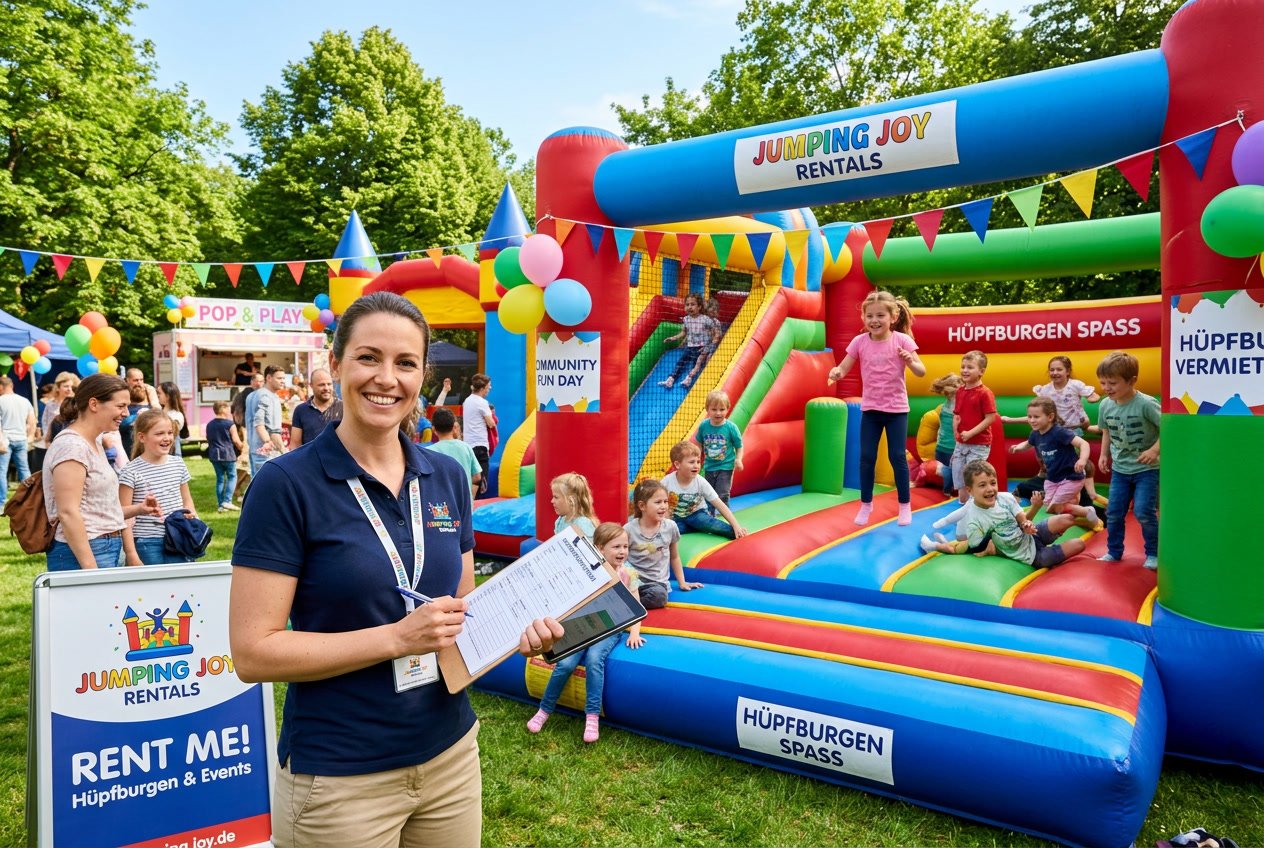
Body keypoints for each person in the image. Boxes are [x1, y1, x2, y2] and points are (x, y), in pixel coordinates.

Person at [228, 292, 560, 848]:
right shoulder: (286, 486)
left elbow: (460, 617)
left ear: (423, 376)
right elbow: (253, 652)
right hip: (340, 775)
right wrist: (396, 638)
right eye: (368, 357)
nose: (387, 378)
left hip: (449, 756)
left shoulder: (446, 476)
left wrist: (515, 633)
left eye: (405, 363)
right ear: (335, 365)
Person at [526, 521, 645, 743]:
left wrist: (634, 632)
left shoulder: (629, 574)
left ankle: (592, 716)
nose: (622, 551)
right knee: (565, 664)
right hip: (583, 626)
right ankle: (544, 710)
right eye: (616, 547)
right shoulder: (589, 571)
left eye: (625, 546)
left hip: (609, 628)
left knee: (594, 659)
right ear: (599, 548)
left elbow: (636, 608)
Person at [827, 290, 926, 526]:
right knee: (867, 457)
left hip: (896, 409)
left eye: (880, 315)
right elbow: (844, 367)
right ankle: (866, 504)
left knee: (897, 456)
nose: (874, 320)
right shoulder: (859, 342)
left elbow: (921, 371)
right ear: (863, 318)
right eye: (870, 316)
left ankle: (904, 506)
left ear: (892, 317)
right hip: (871, 409)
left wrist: (910, 361)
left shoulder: (901, 341)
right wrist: (837, 373)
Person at [43, 373, 160, 571]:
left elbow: (94, 511)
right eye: (120, 406)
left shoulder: (94, 442)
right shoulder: (72, 446)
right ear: (94, 404)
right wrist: (91, 569)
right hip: (85, 552)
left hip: (103, 548)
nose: (125, 412)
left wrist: (139, 509)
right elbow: (68, 512)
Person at [919, 459, 1088, 568]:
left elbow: (1022, 519)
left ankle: (1093, 520)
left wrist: (1028, 521)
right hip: (1030, 556)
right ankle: (933, 546)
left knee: (1067, 519)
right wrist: (988, 550)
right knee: (1079, 545)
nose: (990, 489)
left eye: (993, 483)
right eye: (982, 485)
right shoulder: (975, 519)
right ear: (970, 490)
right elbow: (973, 546)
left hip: (1031, 535)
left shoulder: (1005, 498)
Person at [1095, 351, 1160, 570]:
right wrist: (1104, 454)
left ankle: (1153, 552)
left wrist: (1154, 450)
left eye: (1112, 383)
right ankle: (1114, 551)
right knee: (1113, 512)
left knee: (1143, 511)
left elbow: (1169, 429)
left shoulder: (1146, 404)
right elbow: (1106, 431)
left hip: (1146, 468)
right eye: (1103, 382)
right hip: (1121, 469)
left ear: (1132, 381)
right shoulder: (1106, 404)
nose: (1107, 387)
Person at [1008, 398, 1102, 527]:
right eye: (1029, 416)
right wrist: (1018, 447)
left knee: (1055, 507)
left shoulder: (1059, 432)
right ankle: (1076, 507)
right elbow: (1028, 444)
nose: (1032, 420)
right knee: (1050, 507)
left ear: (1050, 417)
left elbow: (1083, 443)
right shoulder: (1035, 434)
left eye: (1036, 417)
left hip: (1070, 476)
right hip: (1053, 478)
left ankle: (1087, 511)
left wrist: (1082, 460)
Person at [120, 410, 197, 565]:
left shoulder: (178, 464)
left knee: (181, 587)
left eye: (170, 433)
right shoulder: (130, 471)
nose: (167, 438)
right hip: (147, 542)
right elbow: (123, 515)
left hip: (179, 537)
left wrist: (191, 516)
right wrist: (131, 554)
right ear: (142, 437)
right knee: (152, 588)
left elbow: (187, 500)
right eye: (159, 433)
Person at [624, 478, 700, 610]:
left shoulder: (670, 527)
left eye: (665, 502)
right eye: (658, 502)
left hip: (657, 585)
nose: (663, 506)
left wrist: (682, 582)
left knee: (659, 596)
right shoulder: (629, 530)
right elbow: (622, 559)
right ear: (642, 506)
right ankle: (629, 598)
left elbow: (674, 556)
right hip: (632, 582)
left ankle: (630, 603)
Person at [661, 441, 747, 539]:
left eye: (698, 462)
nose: (696, 466)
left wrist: (736, 526)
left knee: (713, 525)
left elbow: (719, 504)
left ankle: (733, 533)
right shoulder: (666, 482)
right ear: (677, 464)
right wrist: (667, 524)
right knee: (667, 529)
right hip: (676, 518)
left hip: (697, 514)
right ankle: (695, 528)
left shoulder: (700, 482)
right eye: (691, 462)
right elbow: (661, 504)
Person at [951, 350, 997, 505]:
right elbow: (956, 416)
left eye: (970, 367)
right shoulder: (960, 391)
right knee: (958, 477)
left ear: (981, 371)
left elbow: (990, 418)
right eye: (963, 366)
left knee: (974, 477)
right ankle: (963, 505)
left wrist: (970, 433)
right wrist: (956, 433)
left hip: (978, 444)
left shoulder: (985, 393)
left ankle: (976, 509)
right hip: (961, 444)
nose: (964, 370)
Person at [659, 294, 719, 390]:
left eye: (693, 304)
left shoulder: (705, 319)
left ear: (699, 307)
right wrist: (673, 338)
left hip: (701, 347)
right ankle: (671, 379)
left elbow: (715, 332)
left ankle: (688, 379)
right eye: (687, 305)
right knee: (681, 362)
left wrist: (709, 345)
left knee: (696, 364)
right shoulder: (686, 319)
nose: (689, 307)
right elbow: (683, 332)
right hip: (690, 346)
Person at [694, 389, 743, 506]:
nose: (718, 413)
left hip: (726, 466)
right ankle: (710, 512)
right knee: (709, 492)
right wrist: (697, 459)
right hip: (709, 466)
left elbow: (739, 445)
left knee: (722, 491)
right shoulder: (704, 426)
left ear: (727, 409)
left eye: (722, 409)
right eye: (714, 409)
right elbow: (699, 443)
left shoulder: (731, 427)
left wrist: (738, 459)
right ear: (707, 410)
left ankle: (723, 511)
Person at [424, 408, 482, 500]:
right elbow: (477, 477)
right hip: (464, 503)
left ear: (434, 429)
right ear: (453, 427)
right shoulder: (466, 447)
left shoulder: (428, 452)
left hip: (441, 506)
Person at [247, 365, 286, 476]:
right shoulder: (265, 396)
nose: (283, 381)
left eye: (283, 378)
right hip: (266, 452)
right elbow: (259, 423)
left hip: (257, 449)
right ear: (269, 378)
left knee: (256, 486)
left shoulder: (253, 395)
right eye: (279, 378)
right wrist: (281, 449)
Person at [0, 375, 37, 486]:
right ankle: (29, 499)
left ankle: (1, 501)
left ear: (1, 387)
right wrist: (30, 437)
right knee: (24, 470)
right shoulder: (24, 401)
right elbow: (32, 421)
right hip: (21, 439)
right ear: (12, 385)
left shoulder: (0, 401)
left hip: (5, 440)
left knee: (1, 471)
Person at [206, 400, 241, 512]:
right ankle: (227, 501)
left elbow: (208, 439)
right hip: (228, 454)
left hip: (214, 455)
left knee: (220, 479)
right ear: (223, 409)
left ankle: (221, 505)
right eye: (227, 408)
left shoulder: (209, 424)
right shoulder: (230, 424)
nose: (229, 410)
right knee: (232, 477)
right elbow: (236, 440)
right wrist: (242, 447)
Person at [288, 368, 337, 448]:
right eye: (321, 385)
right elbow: (295, 445)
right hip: (310, 460)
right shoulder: (301, 410)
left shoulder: (343, 408)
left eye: (329, 384)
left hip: (338, 460)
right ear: (311, 386)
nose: (326, 388)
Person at [462, 373, 493, 495]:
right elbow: (490, 423)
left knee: (471, 475)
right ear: (482, 388)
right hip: (480, 444)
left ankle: (470, 501)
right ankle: (475, 503)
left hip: (469, 444)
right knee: (482, 479)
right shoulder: (482, 402)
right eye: (488, 386)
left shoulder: (467, 401)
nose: (489, 389)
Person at [550, 472, 598, 541]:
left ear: (571, 500)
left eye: (556, 497)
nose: (552, 501)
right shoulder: (560, 521)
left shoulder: (583, 524)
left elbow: (587, 550)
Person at [157, 382, 186, 457]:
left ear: (167, 396)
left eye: (159, 393)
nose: (157, 396)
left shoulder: (176, 415)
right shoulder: (159, 411)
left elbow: (171, 433)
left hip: (172, 453)